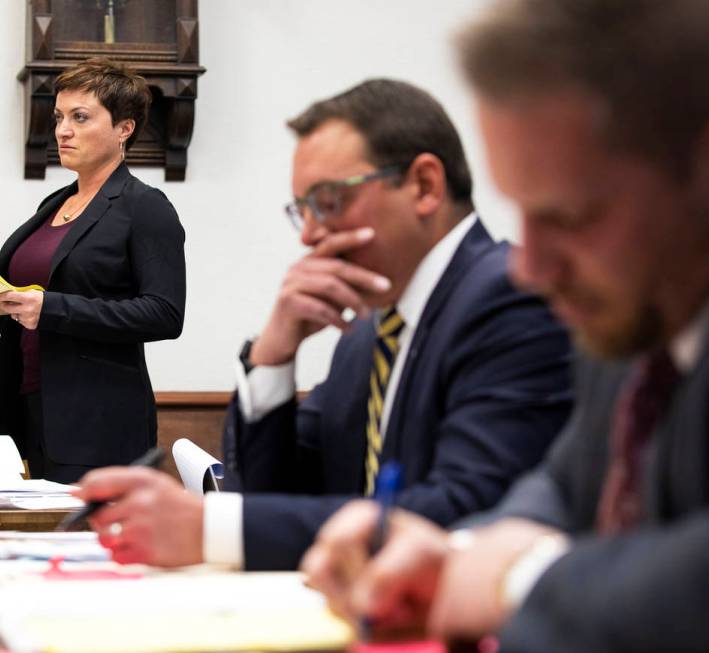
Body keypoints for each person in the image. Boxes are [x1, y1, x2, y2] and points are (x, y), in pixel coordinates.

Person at [301, 1, 709, 651]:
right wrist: (458, 551)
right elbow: (563, 479)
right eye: (519, 213)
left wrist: (517, 577)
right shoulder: (630, 315)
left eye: (570, 217)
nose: (528, 267)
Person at [74, 79, 573, 570]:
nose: (310, 234)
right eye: (302, 210)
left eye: (328, 201)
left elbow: (467, 514)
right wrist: (272, 355)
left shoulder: (511, 297)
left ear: (424, 186)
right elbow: (274, 494)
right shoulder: (370, 330)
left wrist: (214, 528)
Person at [0, 58, 186, 483]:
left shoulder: (144, 207)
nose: (62, 130)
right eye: (59, 117)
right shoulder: (53, 205)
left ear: (124, 128)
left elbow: (164, 313)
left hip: (98, 422)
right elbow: (43, 312)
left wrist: (49, 308)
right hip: (28, 408)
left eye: (80, 117)